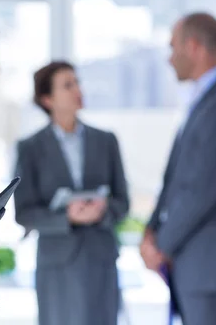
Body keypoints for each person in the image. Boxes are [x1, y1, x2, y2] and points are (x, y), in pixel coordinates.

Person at [140, 12, 216, 325]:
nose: (169, 58)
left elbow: (200, 190)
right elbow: (177, 178)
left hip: (211, 269)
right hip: (197, 266)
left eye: (173, 47)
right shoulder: (206, 101)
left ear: (193, 47)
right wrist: (151, 231)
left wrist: (160, 245)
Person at [13, 61, 130, 325]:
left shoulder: (106, 141)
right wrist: (68, 217)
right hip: (57, 265)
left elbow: (123, 202)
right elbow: (24, 213)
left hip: (101, 259)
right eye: (68, 85)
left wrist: (101, 211)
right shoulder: (30, 148)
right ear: (47, 99)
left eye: (77, 82)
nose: (78, 89)